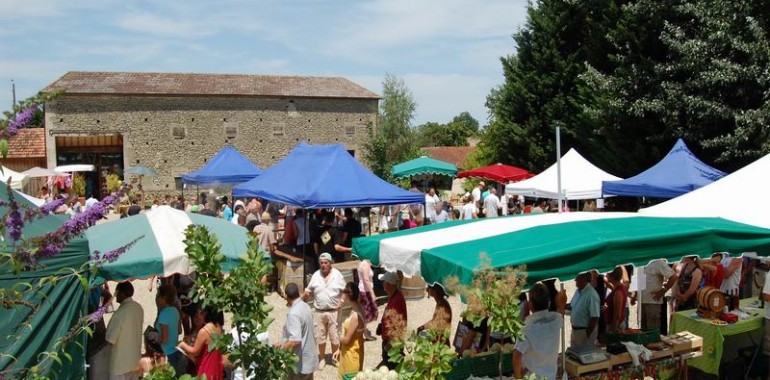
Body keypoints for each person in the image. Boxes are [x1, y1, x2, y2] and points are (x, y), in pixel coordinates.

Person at [514, 282, 567, 380]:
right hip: (550, 377)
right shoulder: (556, 319)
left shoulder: (526, 328)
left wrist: (517, 377)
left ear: (530, 304)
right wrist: (561, 303)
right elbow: (560, 311)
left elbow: (517, 355)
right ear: (548, 302)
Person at [303, 252, 346, 369]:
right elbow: (309, 290)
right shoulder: (316, 275)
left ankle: (335, 358)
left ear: (330, 263)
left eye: (325, 263)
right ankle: (321, 358)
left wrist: (341, 302)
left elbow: (345, 290)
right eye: (321, 263)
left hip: (334, 311)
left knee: (335, 336)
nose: (323, 265)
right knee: (320, 336)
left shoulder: (337, 275)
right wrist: (303, 296)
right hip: (319, 311)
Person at [279, 283, 319, 380]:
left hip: (300, 365)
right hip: (309, 359)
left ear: (286, 296)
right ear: (298, 292)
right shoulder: (305, 306)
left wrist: (280, 350)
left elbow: (295, 340)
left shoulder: (294, 313)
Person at [105, 281, 144, 380]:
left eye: (117, 292)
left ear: (122, 293)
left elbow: (110, 339)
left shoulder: (120, 313)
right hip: (135, 361)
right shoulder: (138, 308)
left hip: (120, 364)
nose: (116, 295)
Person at [178, 306, 224, 380]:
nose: (200, 315)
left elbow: (195, 351)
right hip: (216, 367)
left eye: (202, 313)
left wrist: (182, 345)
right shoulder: (218, 327)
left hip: (206, 367)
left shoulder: (204, 330)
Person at [333, 282, 366, 377]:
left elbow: (347, 339)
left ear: (347, 295)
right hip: (350, 351)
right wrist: (339, 349)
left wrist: (339, 336)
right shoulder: (358, 307)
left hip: (351, 355)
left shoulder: (355, 316)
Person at [377, 271, 407, 369]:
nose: (382, 284)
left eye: (384, 282)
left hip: (393, 344)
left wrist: (389, 346)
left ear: (388, 284)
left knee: (393, 370)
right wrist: (381, 326)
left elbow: (398, 326)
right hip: (390, 341)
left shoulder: (396, 301)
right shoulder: (395, 296)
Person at [155, 284, 186, 377]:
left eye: (158, 296)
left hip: (166, 353)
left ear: (163, 298)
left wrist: (155, 338)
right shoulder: (175, 310)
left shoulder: (163, 314)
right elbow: (179, 331)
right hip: (176, 351)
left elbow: (164, 339)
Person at [641, 259, 678, 335]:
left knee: (652, 331)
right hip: (642, 301)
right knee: (643, 331)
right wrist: (635, 294)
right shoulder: (641, 261)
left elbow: (673, 277)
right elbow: (639, 278)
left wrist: (663, 291)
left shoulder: (658, 261)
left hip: (653, 302)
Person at [570, 272, 600, 346]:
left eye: (578, 278)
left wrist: (587, 334)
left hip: (584, 331)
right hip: (575, 331)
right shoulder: (577, 291)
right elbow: (572, 306)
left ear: (584, 279)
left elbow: (595, 317)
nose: (575, 280)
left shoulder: (591, 294)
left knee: (583, 355)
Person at [357, 259, 378, 341]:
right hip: (366, 291)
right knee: (367, 313)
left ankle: (364, 332)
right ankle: (363, 332)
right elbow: (366, 279)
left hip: (363, 290)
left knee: (364, 313)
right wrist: (372, 293)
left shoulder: (362, 262)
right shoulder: (365, 264)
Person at [604, 267, 627, 334]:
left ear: (613, 277)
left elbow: (617, 316)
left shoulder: (618, 292)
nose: (606, 275)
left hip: (616, 327)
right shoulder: (616, 288)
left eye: (607, 274)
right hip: (614, 325)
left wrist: (611, 330)